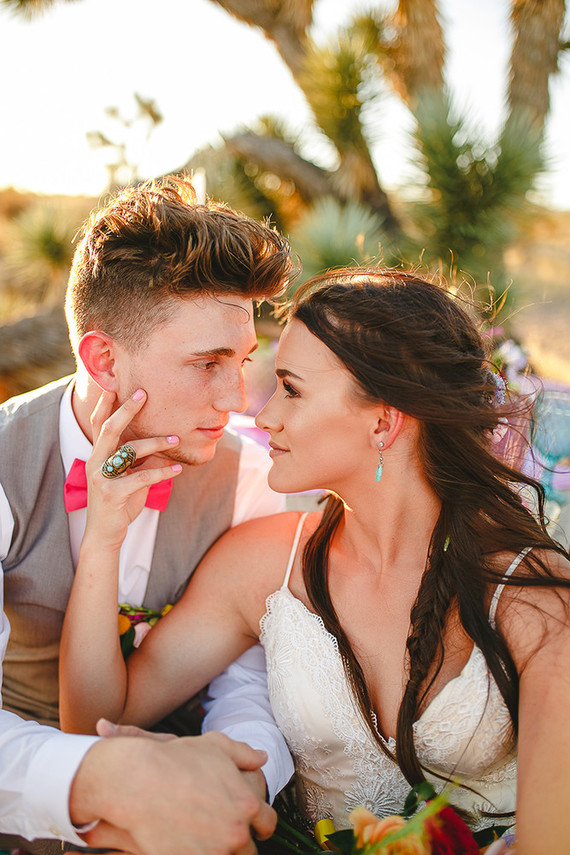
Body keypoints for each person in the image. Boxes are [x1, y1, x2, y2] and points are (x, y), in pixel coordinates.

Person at [61, 268, 570, 855]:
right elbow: (93, 723)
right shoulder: (261, 565)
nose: (263, 416)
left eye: (292, 389)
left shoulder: (534, 599)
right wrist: (103, 539)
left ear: (383, 421)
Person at [0, 175, 296, 851]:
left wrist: (239, 775)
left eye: (244, 359)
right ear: (103, 358)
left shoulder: (248, 477)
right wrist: (112, 778)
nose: (236, 398)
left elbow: (249, 684)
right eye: (206, 363)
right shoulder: (1, 465)